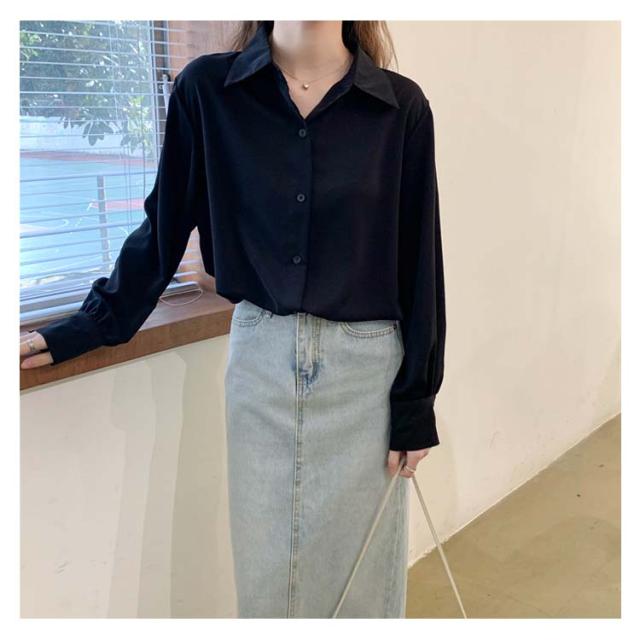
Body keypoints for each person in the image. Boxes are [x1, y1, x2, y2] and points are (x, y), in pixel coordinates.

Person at [20, 20, 446, 618]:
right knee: (268, 583)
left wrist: (416, 403)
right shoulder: (207, 92)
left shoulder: (400, 108)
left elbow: (420, 262)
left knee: (363, 588)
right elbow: (164, 229)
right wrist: (87, 326)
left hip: (367, 374)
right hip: (261, 363)